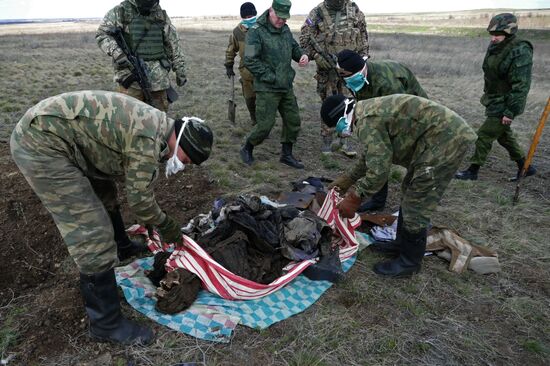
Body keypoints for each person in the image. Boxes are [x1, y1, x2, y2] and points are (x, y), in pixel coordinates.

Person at [10, 90, 214, 345]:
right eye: (187, 159)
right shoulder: (147, 141)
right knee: (91, 229)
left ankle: (122, 245)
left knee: (105, 191)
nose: (183, 165)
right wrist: (167, 226)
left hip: (64, 135)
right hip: (42, 144)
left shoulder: (159, 127)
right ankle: (105, 324)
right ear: (182, 142)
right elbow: (141, 203)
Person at [321, 94, 477, 277]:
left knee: (416, 201)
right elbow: (372, 156)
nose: (339, 131)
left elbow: (379, 170)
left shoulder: (367, 121)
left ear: (342, 117)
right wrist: (348, 179)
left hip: (446, 141)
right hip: (436, 139)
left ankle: (409, 263)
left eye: (336, 126)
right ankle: (401, 244)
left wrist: (354, 197)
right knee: (409, 190)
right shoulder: (365, 112)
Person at [332, 49, 429, 212]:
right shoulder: (357, 78)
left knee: (406, 155)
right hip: (388, 111)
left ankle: (413, 207)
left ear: (358, 70)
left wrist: (381, 141)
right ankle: (378, 200)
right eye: (341, 74)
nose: (344, 79)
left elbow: (400, 113)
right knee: (375, 152)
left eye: (345, 74)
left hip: (414, 116)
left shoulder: (387, 83)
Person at [455, 13, 535, 181]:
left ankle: (472, 171)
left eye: (497, 34)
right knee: (504, 136)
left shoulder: (520, 50)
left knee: (484, 135)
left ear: (509, 33)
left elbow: (521, 85)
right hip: (494, 100)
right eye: (492, 34)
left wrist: (510, 111)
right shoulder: (496, 46)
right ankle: (525, 166)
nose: (493, 38)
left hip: (506, 102)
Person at [240, 0, 309, 169]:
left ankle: (286, 154)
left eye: (285, 19)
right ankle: (247, 147)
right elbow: (249, 59)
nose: (281, 21)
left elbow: (293, 47)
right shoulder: (255, 32)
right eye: (279, 17)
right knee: (265, 125)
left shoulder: (284, 29)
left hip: (285, 85)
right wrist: (270, 76)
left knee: (293, 121)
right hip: (267, 87)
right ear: (271, 11)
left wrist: (301, 55)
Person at [299, 0, 369, 156]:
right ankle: (327, 140)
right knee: (329, 103)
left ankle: (345, 140)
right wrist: (316, 56)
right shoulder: (317, 13)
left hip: (351, 70)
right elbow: (304, 38)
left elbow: (363, 34)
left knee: (350, 103)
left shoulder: (354, 9)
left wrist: (363, 58)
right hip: (328, 69)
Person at [96, 0, 187, 112]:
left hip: (159, 81)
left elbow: (173, 42)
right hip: (130, 78)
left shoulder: (160, 15)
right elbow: (102, 35)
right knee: (129, 120)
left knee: (159, 121)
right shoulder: (121, 11)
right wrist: (118, 53)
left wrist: (180, 68)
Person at [225, 2, 258, 125]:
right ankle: (254, 119)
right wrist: (229, 65)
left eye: (251, 16)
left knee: (263, 100)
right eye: (246, 16)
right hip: (246, 72)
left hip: (263, 73)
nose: (249, 18)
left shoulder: (262, 28)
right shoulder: (237, 31)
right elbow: (231, 49)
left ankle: (263, 124)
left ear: (255, 15)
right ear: (242, 17)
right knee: (249, 99)